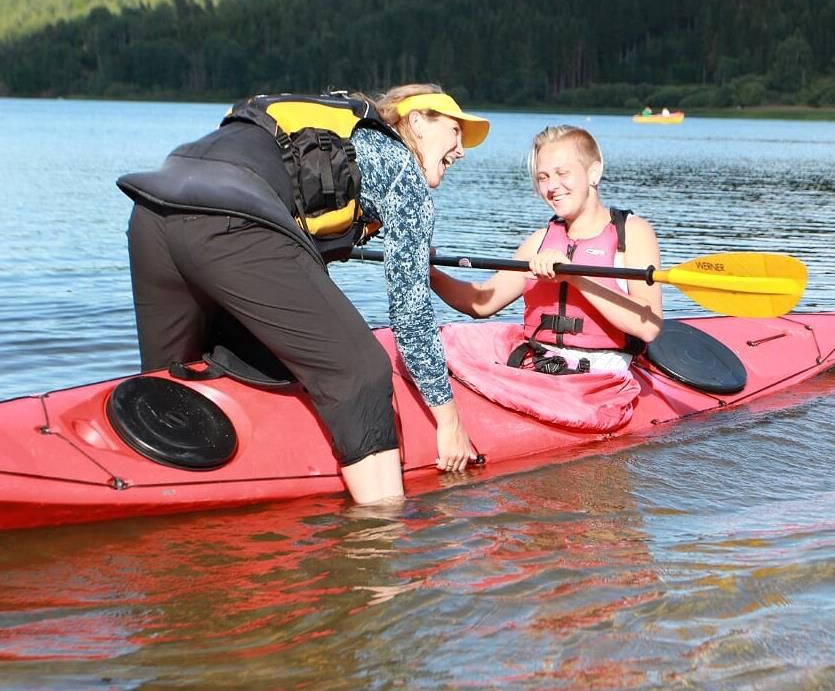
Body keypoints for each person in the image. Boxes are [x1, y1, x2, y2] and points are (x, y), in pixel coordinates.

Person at [116, 84, 489, 505]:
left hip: (152, 211)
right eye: (456, 132)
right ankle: (379, 543)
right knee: (361, 370)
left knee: (172, 384)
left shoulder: (342, 136)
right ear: (417, 120)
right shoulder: (403, 170)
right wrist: (448, 418)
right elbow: (410, 309)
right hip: (230, 222)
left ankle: (149, 504)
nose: (461, 150)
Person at [431, 124, 662, 375]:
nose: (552, 186)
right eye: (543, 177)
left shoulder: (632, 233)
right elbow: (481, 303)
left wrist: (575, 277)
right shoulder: (539, 242)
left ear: (593, 173)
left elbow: (648, 326)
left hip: (602, 375)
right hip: (539, 366)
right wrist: (428, 272)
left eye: (562, 173)